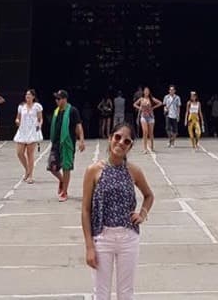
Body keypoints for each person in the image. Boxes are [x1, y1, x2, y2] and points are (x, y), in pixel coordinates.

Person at [82, 121, 154, 300]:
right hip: (102, 238)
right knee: (101, 293)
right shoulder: (93, 171)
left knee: (126, 293)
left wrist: (142, 214)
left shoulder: (133, 171)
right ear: (110, 138)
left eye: (127, 141)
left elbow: (149, 195)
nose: (121, 142)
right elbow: (85, 210)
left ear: (130, 147)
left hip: (128, 238)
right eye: (118, 137)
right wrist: (89, 246)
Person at [47, 89, 85, 201]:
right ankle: (62, 180)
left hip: (67, 143)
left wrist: (81, 140)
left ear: (64, 99)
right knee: (52, 167)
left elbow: (78, 126)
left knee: (66, 167)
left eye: (59, 99)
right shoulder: (56, 111)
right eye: (56, 99)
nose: (56, 101)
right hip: (56, 142)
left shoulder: (72, 111)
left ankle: (64, 191)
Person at [14, 88, 43, 183]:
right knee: (19, 153)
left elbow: (40, 118)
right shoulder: (21, 106)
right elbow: (18, 118)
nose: (27, 96)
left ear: (33, 97)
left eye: (29, 95)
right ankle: (27, 169)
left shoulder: (37, 106)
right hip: (22, 131)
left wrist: (39, 125)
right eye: (26, 94)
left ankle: (31, 175)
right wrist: (17, 121)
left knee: (30, 154)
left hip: (32, 131)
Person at [133, 86, 162, 154]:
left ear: (149, 92)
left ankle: (151, 147)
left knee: (151, 133)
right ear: (144, 92)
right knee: (145, 132)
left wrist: (153, 107)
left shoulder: (151, 99)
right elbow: (134, 104)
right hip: (143, 117)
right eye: (145, 91)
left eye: (147, 91)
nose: (146, 92)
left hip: (151, 117)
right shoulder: (141, 99)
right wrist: (140, 108)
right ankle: (145, 148)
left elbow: (160, 103)